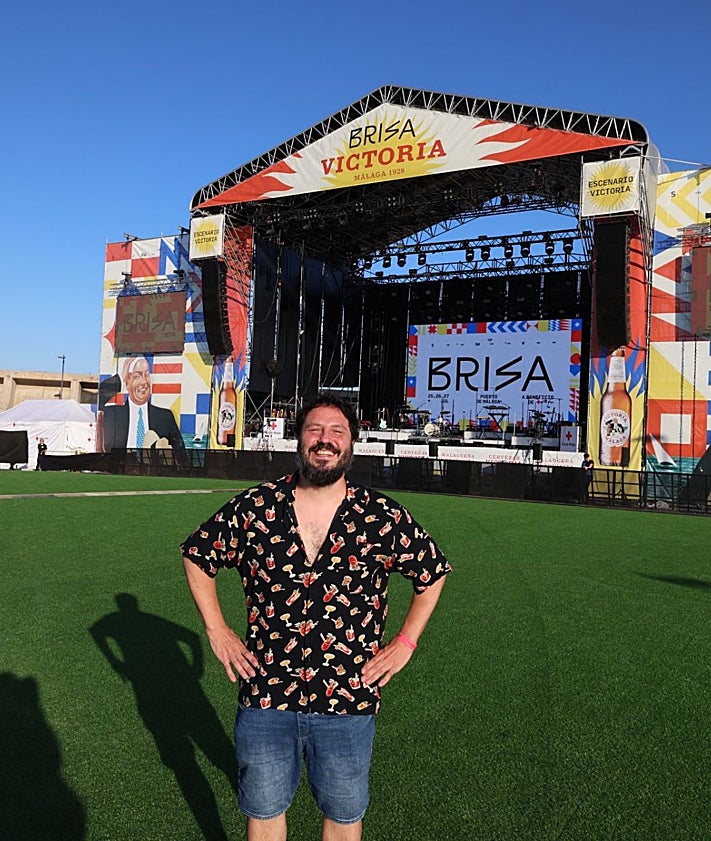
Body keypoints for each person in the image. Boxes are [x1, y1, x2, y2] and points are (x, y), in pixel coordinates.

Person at [180, 393, 451, 841]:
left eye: (336, 432)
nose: (325, 440)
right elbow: (197, 554)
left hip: (348, 696)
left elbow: (432, 571)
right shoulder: (256, 507)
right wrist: (217, 629)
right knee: (264, 814)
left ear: (351, 445)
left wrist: (404, 643)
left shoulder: (380, 515)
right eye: (315, 430)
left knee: (343, 818)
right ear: (299, 438)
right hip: (266, 694)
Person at [100, 355, 184, 452]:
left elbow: (181, 455)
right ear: (127, 382)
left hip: (152, 466)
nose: (144, 381)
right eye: (137, 376)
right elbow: (98, 398)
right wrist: (119, 379)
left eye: (147, 375)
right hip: (123, 465)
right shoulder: (112, 413)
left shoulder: (164, 416)